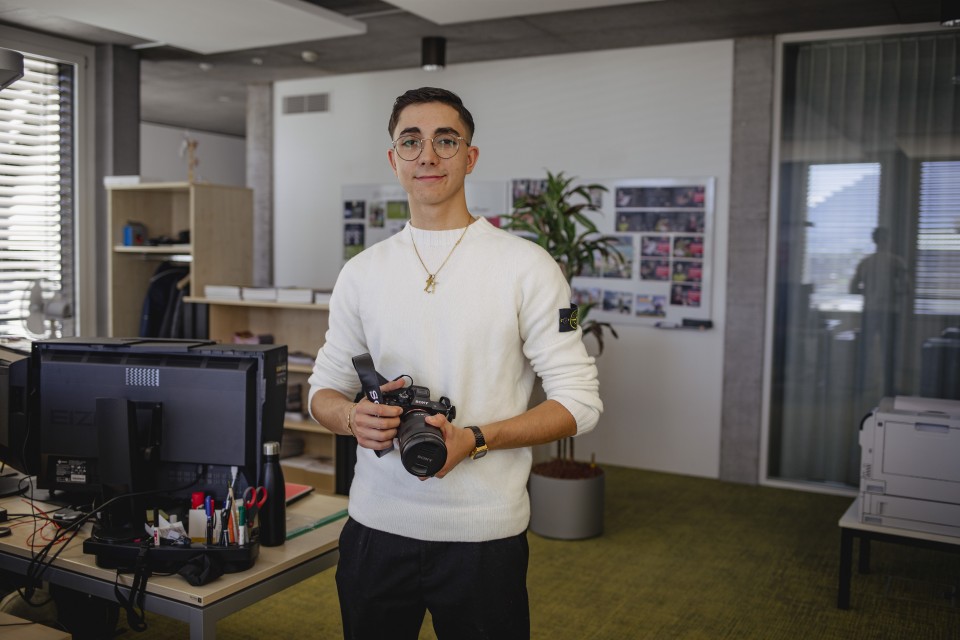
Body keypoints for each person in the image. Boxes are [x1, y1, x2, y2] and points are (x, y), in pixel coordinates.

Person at [307, 87, 602, 640]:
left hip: (483, 537)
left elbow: (580, 403)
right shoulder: (362, 273)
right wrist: (351, 418)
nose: (427, 155)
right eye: (410, 142)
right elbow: (323, 389)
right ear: (393, 159)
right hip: (375, 528)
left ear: (470, 157)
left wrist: (477, 439)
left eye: (446, 141)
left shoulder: (528, 267)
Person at [848, 226, 910, 395]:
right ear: (888, 240)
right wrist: (892, 291)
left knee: (865, 350)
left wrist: (869, 292)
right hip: (890, 311)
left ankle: (860, 386)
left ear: (874, 240)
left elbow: (853, 288)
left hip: (870, 310)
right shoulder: (897, 262)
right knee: (888, 351)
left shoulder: (866, 263)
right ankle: (889, 389)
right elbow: (906, 289)